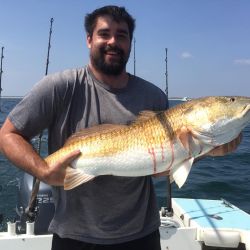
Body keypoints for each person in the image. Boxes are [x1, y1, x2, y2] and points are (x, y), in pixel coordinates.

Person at [0, 5, 241, 250]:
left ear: (130, 43)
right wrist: (42, 170)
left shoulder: (154, 96)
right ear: (89, 39)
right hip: (74, 237)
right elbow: (8, 134)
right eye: (104, 34)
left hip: (141, 236)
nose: (113, 41)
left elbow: (159, 168)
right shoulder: (60, 86)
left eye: (122, 35)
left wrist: (207, 150)